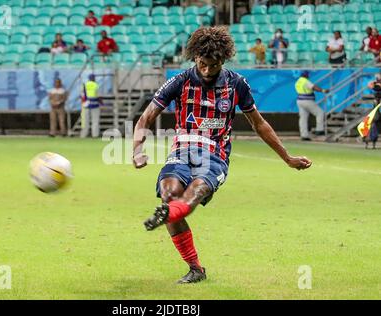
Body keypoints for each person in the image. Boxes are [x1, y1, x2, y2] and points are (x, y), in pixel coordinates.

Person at [132, 26, 312, 284]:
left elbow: (259, 123)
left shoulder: (236, 84)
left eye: (213, 65)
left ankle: (167, 215)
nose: (207, 70)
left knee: (194, 192)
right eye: (203, 64)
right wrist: (137, 151)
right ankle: (195, 268)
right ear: (196, 58)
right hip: (182, 151)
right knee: (170, 194)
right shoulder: (180, 82)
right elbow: (145, 118)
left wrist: (287, 158)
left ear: (223, 61)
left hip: (214, 156)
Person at [295, 71, 329, 141]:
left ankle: (304, 135)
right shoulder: (305, 81)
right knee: (320, 113)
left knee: (303, 118)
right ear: (306, 75)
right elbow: (313, 87)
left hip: (299, 100)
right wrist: (323, 90)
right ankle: (319, 130)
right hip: (307, 100)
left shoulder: (298, 82)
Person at [81, 74, 102, 138]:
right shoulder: (96, 85)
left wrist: (83, 103)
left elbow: (82, 95)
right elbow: (99, 96)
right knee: (95, 120)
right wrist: (101, 104)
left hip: (86, 104)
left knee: (85, 121)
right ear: (94, 78)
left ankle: (84, 135)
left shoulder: (85, 85)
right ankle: (95, 135)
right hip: (95, 104)